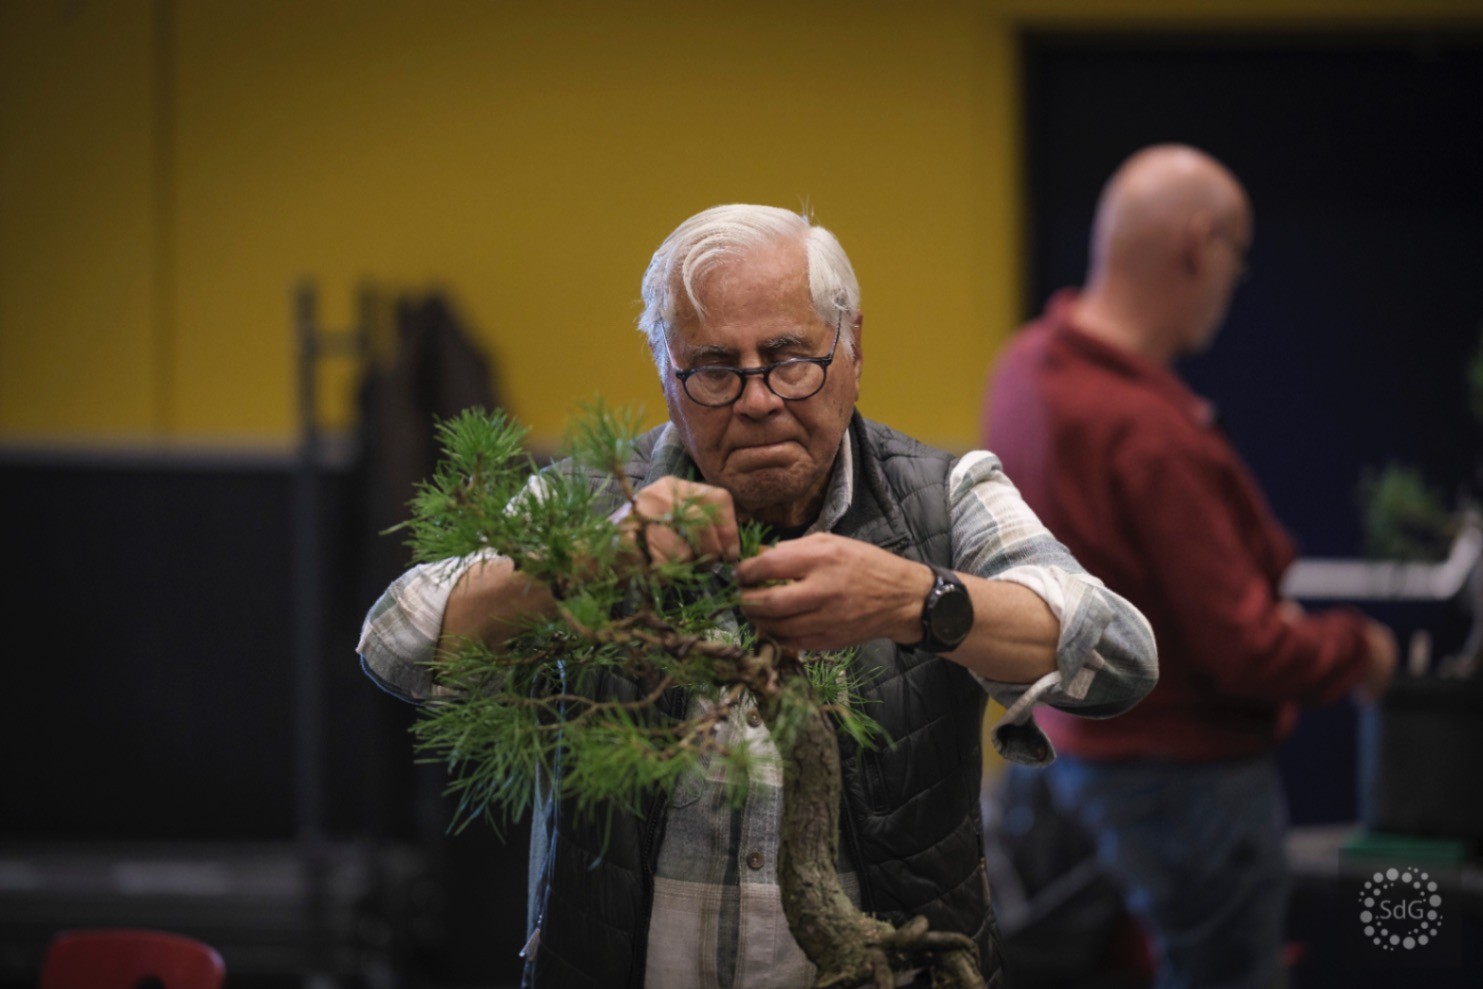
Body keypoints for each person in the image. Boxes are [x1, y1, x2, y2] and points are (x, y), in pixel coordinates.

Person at [359, 204, 1159, 989]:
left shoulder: (943, 497)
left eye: (787, 357)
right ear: (666, 374)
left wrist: (918, 599)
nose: (756, 398)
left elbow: (1117, 657)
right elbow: (394, 641)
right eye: (713, 368)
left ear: (851, 348)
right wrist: (589, 565)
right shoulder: (591, 501)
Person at [983, 145, 1398, 989]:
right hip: (1184, 775)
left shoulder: (1024, 368)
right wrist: (1359, 651)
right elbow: (1241, 650)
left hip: (1068, 754)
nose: (1229, 284)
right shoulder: (1147, 434)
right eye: (1234, 259)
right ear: (1198, 243)